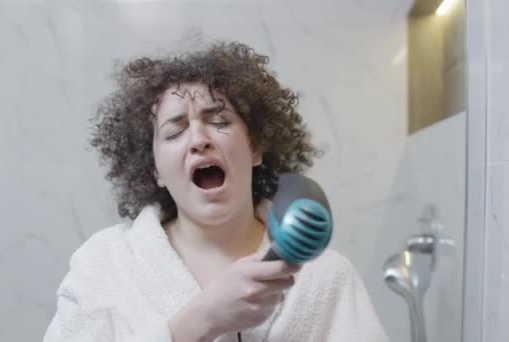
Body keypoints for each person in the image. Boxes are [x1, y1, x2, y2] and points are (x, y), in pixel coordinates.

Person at [43, 41, 388, 342]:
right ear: (155, 171)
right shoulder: (103, 265)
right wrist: (201, 320)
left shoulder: (325, 275)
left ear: (255, 147)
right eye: (175, 132)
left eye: (219, 121)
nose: (198, 140)